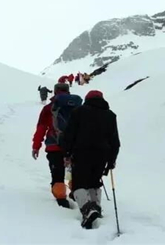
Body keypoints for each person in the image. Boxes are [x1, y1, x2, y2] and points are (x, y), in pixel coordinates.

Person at [62, 90, 120, 229]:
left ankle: (88, 210)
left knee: (79, 183)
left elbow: (70, 133)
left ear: (87, 99)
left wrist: (67, 152)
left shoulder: (79, 112)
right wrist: (112, 160)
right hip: (102, 155)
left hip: (82, 152)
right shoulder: (110, 115)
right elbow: (114, 140)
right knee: (95, 181)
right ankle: (96, 208)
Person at [32, 83, 83, 208]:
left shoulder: (49, 108)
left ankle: (61, 199)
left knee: (58, 174)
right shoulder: (78, 107)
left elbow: (41, 127)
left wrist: (36, 146)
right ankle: (77, 194)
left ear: (54, 92)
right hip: (74, 146)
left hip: (54, 145)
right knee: (74, 172)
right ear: (68, 91)